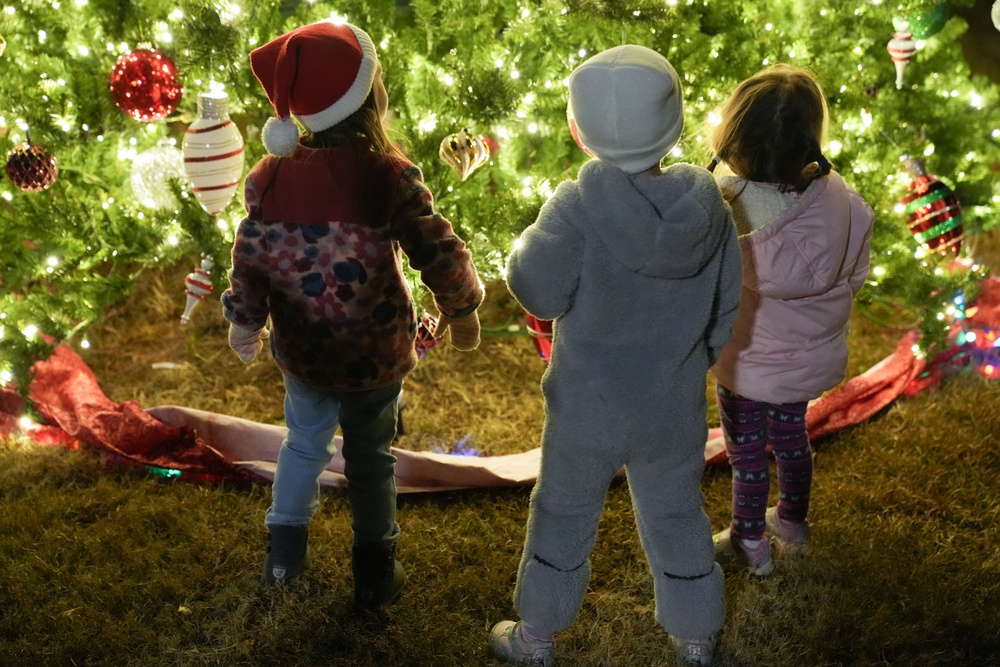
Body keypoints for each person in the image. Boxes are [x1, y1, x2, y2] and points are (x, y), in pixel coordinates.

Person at [489, 45, 743, 666]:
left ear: (578, 132)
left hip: (586, 407)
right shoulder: (709, 208)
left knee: (562, 509)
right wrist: (696, 359)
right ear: (677, 124)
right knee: (677, 512)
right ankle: (695, 636)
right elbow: (727, 300)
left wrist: (525, 246)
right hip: (671, 404)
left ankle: (538, 635)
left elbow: (538, 290)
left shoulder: (574, 207)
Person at [221, 19, 484, 609]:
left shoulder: (267, 178)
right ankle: (375, 575)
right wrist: (461, 306)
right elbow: (436, 246)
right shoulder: (388, 175)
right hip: (373, 356)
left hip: (305, 353)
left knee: (303, 446)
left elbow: (250, 258)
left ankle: (282, 562)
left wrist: (245, 319)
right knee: (372, 460)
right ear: (366, 101)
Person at [706, 64, 874, 577]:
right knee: (791, 437)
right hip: (807, 363)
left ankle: (749, 540)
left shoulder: (724, 206)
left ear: (733, 132)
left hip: (747, 365)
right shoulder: (842, 202)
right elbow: (857, 275)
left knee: (747, 452)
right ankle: (793, 522)